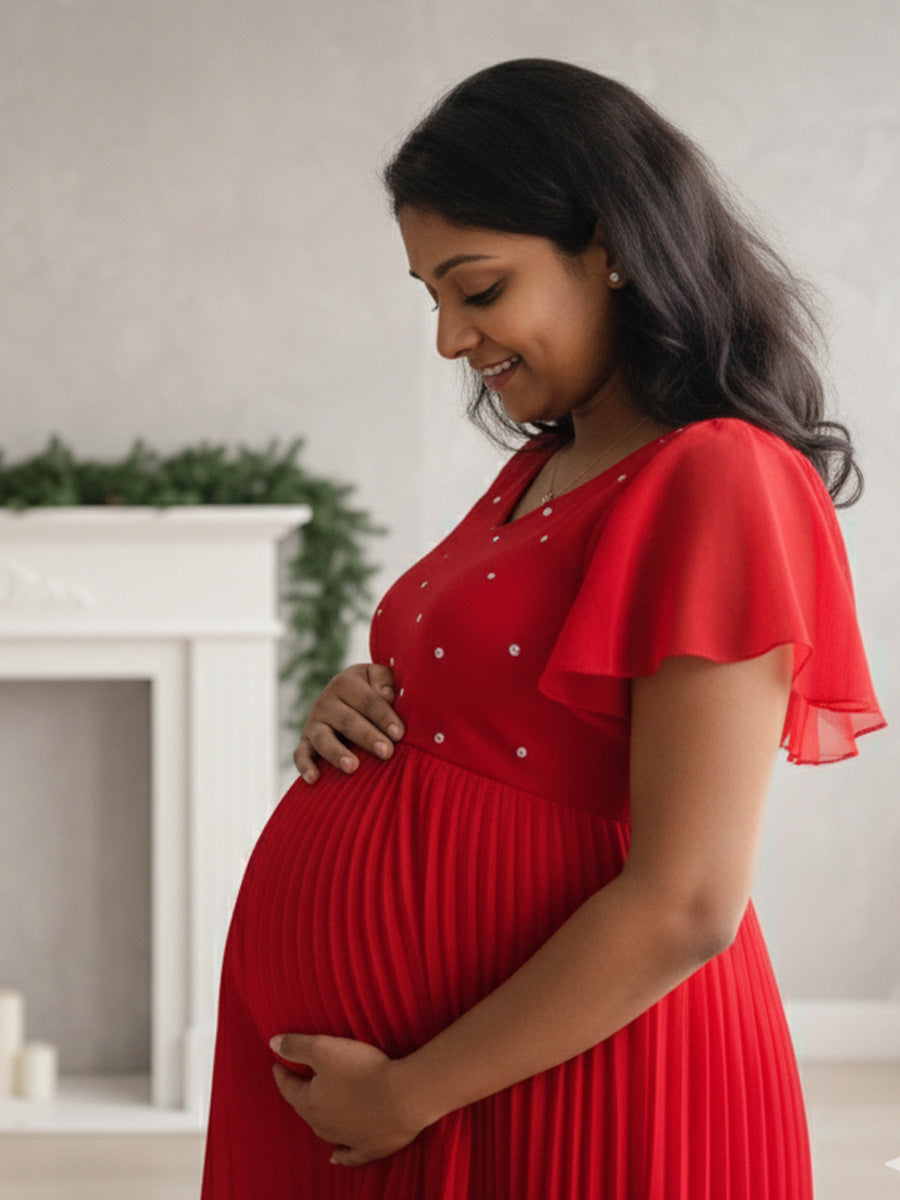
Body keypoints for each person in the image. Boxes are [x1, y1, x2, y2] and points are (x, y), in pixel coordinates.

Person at [201, 59, 886, 1199]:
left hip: (564, 1086)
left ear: (609, 245)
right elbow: (494, 706)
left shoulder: (720, 475)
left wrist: (410, 1092)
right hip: (420, 1093)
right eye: (430, 296)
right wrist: (363, 710)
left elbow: (689, 900)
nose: (449, 339)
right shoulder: (542, 467)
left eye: (477, 288)